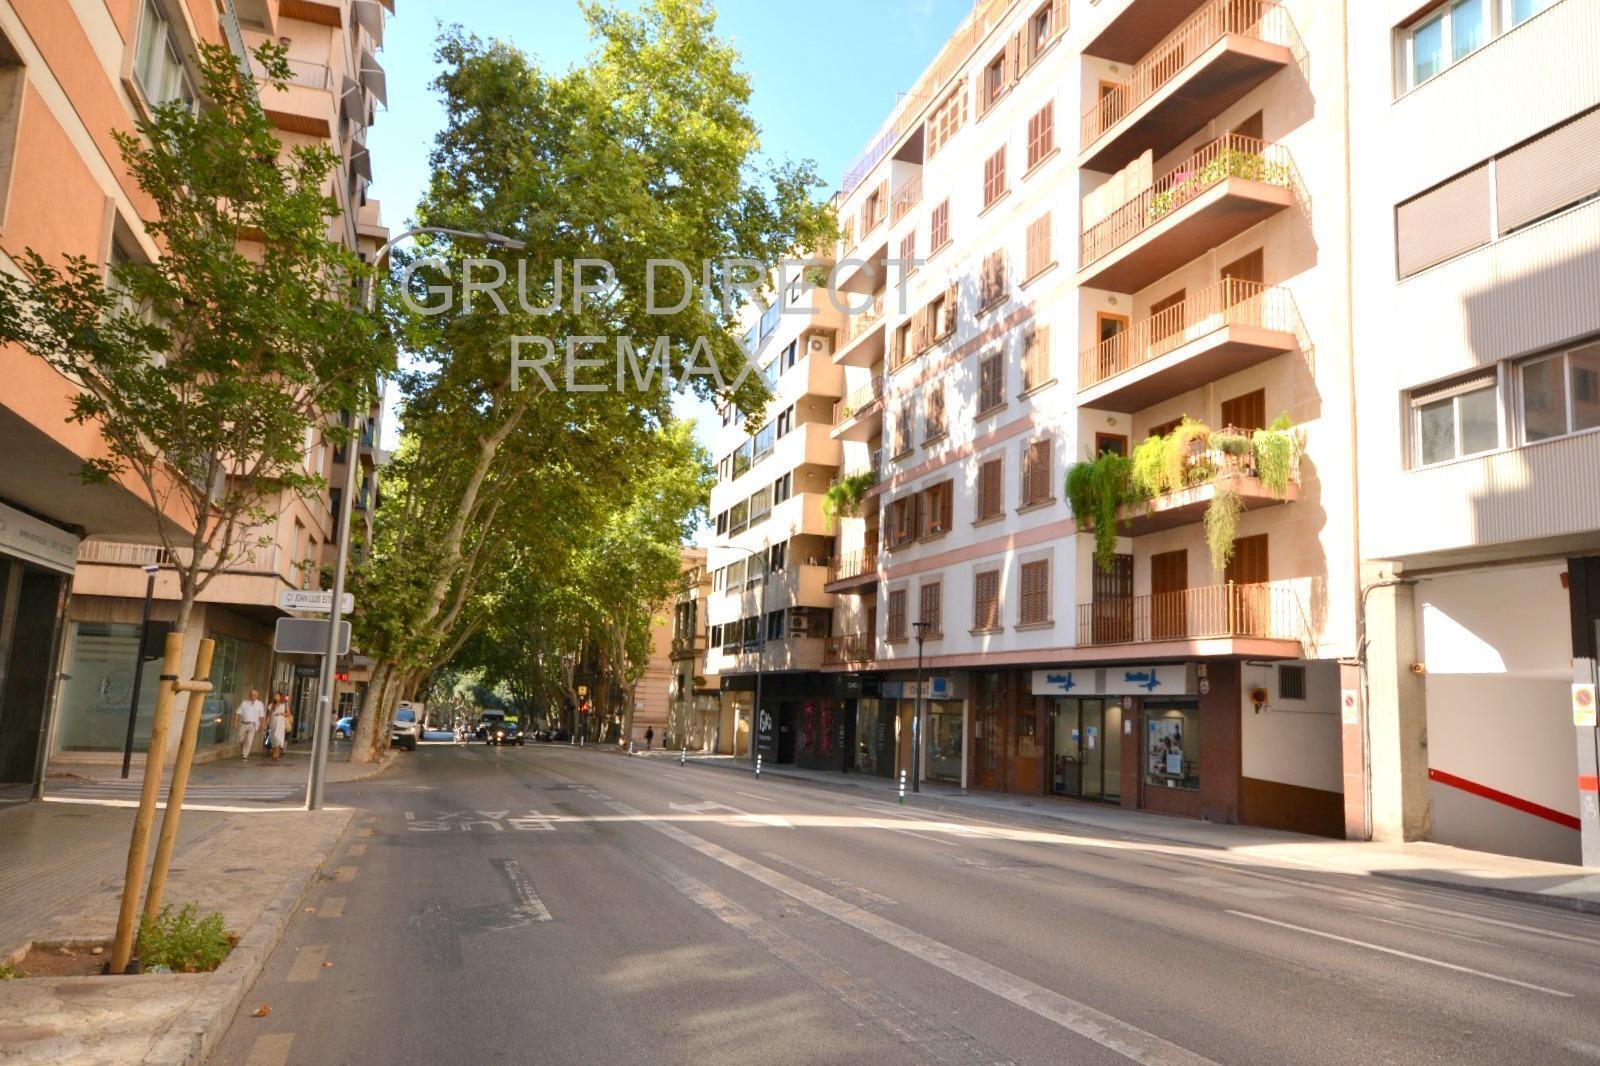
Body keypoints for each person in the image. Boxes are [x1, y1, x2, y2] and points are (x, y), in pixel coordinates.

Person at [236, 689, 265, 761]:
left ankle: (245, 755)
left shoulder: (260, 704)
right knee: (240, 739)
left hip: (253, 724)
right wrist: (235, 722)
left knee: (249, 740)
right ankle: (244, 748)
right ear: (249, 695)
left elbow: (261, 716)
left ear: (257, 696)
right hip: (243, 723)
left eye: (255, 695)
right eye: (251, 695)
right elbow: (238, 713)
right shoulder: (244, 703)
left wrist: (261, 725)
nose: (253, 697)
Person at [267, 693, 292, 763]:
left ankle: (277, 755)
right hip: (273, 724)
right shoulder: (271, 705)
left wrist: (281, 713)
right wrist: (266, 724)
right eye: (275, 696)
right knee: (273, 739)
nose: (275, 697)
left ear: (280, 697)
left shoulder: (284, 705)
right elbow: (269, 715)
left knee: (277, 738)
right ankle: (274, 753)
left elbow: (288, 714)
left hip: (280, 724)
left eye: (277, 696)